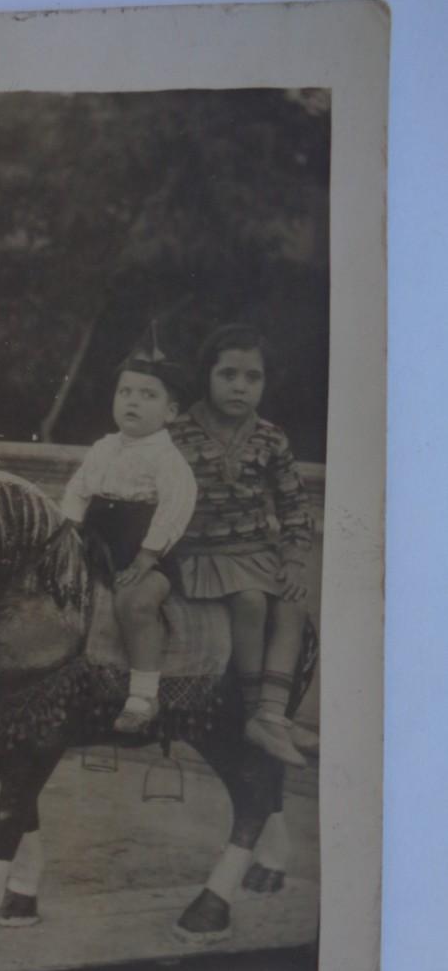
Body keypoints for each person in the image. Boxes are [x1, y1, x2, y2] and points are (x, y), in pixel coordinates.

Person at [172, 324, 313, 767]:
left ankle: (273, 712)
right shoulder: (178, 432)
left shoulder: (270, 437)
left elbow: (294, 503)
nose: (240, 386)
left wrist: (292, 558)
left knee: (293, 602)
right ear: (207, 376)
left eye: (253, 378)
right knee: (251, 600)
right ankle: (253, 713)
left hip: (256, 551)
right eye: (228, 374)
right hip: (200, 552)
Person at [61, 352, 197, 734]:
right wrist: (68, 528)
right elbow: (78, 490)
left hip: (146, 552)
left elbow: (175, 508)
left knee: (134, 603)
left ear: (170, 412)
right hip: (94, 544)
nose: (133, 401)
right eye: (125, 392)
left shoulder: (168, 459)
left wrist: (146, 557)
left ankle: (143, 695)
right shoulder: (103, 447)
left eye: (148, 395)